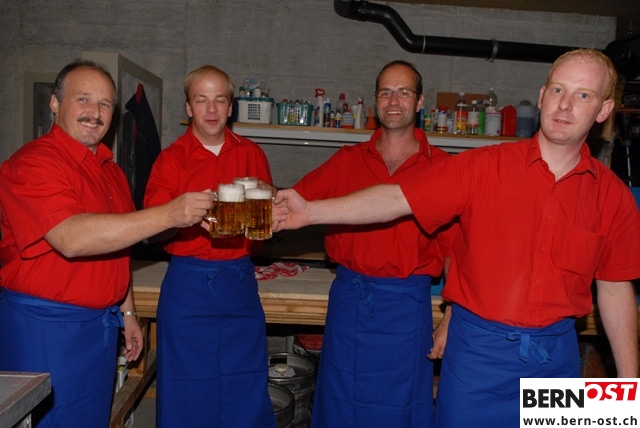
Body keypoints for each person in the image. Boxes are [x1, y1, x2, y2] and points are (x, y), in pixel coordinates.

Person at [273, 48, 640, 428]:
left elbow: (615, 290)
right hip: (477, 357)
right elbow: (397, 198)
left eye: (583, 95)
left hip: (554, 361)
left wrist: (629, 391)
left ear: (603, 110)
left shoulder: (614, 198)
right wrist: (311, 211)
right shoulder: (481, 167)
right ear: (543, 96)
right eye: (558, 90)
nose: (565, 105)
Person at [0, 60, 213, 428]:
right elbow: (71, 238)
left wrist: (127, 313)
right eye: (83, 99)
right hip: (46, 328)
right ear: (55, 103)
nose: (95, 113)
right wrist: (169, 214)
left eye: (104, 104)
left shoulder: (109, 170)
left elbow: (117, 247)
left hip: (98, 328)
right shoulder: (34, 162)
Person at [291, 60, 456, 428]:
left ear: (420, 102)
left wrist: (451, 317)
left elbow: (458, 252)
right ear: (375, 101)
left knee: (398, 407)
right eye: (385, 92)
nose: (393, 101)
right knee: (340, 402)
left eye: (403, 92)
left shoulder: (444, 169)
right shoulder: (345, 162)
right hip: (350, 302)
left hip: (406, 309)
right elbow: (293, 204)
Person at [143, 65, 276, 428]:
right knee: (185, 387)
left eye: (220, 100)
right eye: (202, 100)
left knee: (245, 383)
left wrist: (274, 212)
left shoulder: (253, 154)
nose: (212, 109)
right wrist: (177, 216)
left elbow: (266, 228)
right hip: (188, 285)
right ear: (189, 107)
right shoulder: (170, 160)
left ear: (231, 107)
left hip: (239, 281)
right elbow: (151, 232)